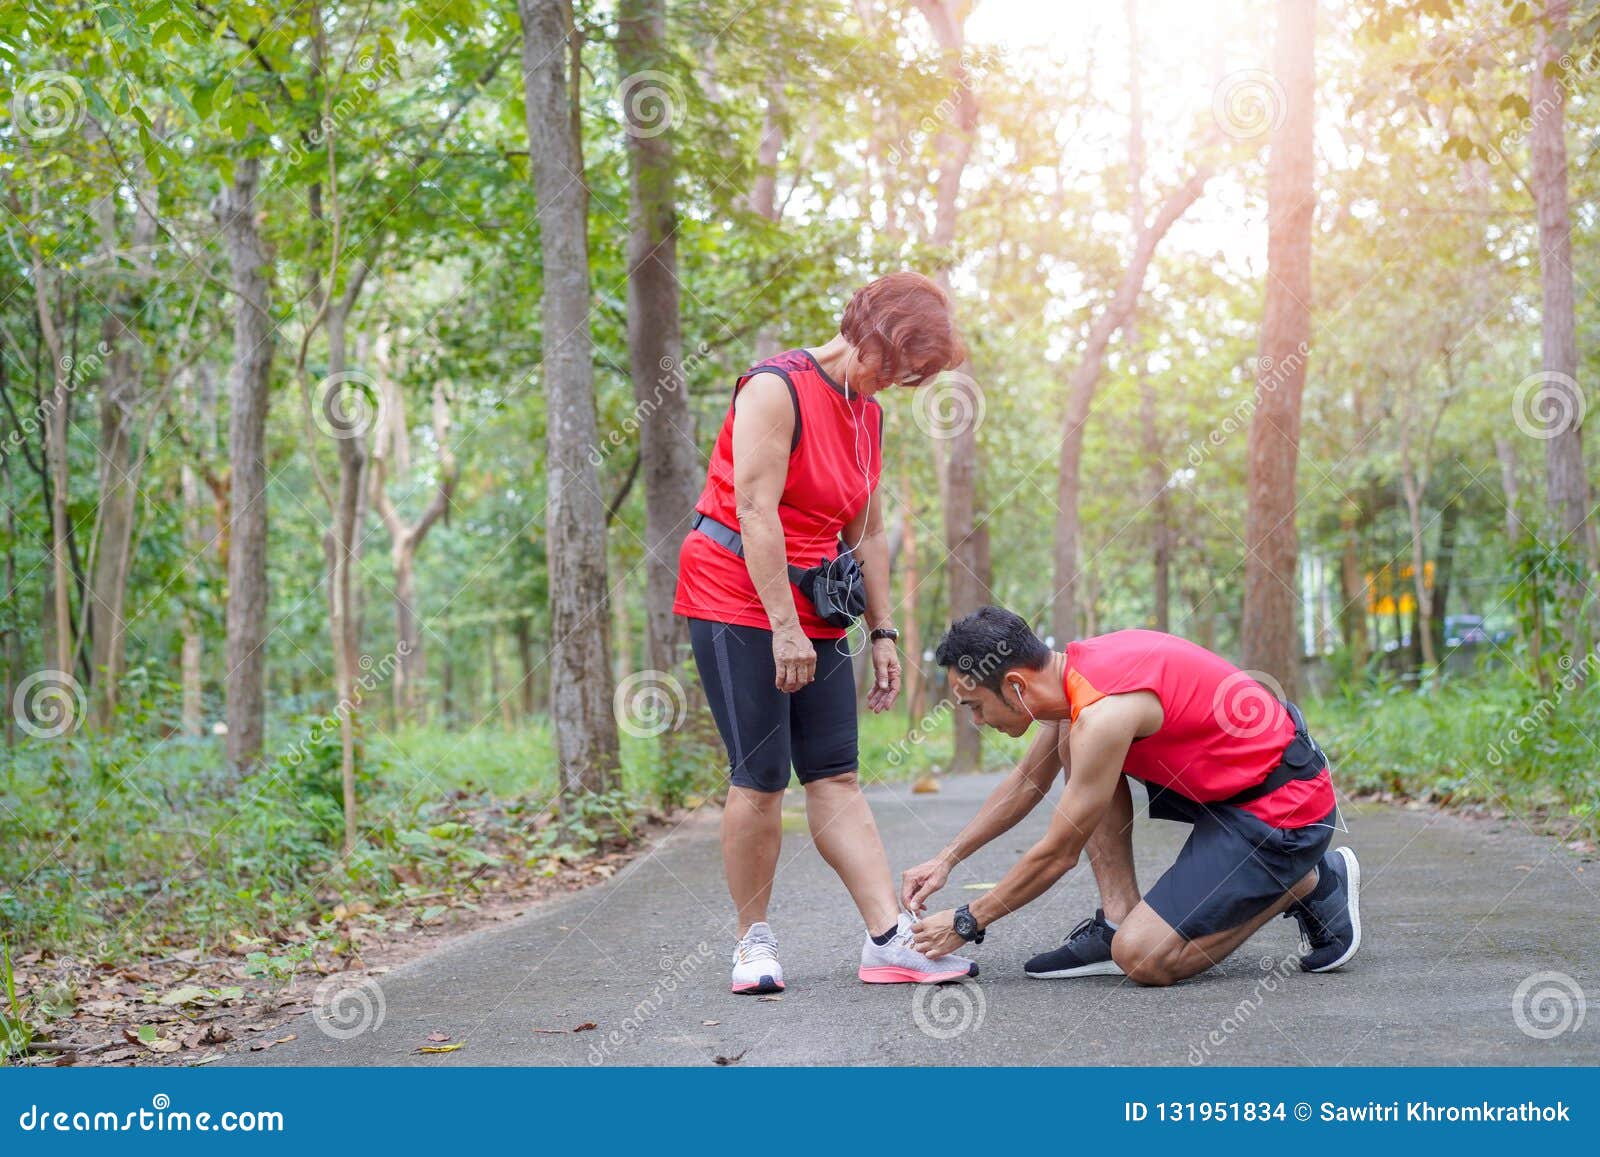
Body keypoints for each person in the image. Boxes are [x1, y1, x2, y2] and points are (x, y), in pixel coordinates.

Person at [674, 272, 978, 995]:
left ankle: (886, 939)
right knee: (761, 776)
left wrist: (883, 631)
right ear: (867, 330)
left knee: (836, 771)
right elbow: (754, 509)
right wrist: (783, 627)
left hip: (816, 598)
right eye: (896, 364)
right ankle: (753, 942)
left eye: (911, 376)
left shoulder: (867, 415)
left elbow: (865, 529)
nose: (895, 382)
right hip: (735, 592)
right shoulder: (775, 388)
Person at [901, 605, 1361, 987]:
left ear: (1016, 685)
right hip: (1229, 791)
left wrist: (967, 921)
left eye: (976, 706)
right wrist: (946, 859)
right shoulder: (1072, 683)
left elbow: (1058, 854)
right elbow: (1025, 784)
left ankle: (1308, 881)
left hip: (1284, 809)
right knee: (1072, 744)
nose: (978, 722)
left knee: (1143, 958)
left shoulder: (1103, 714)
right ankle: (1118, 916)